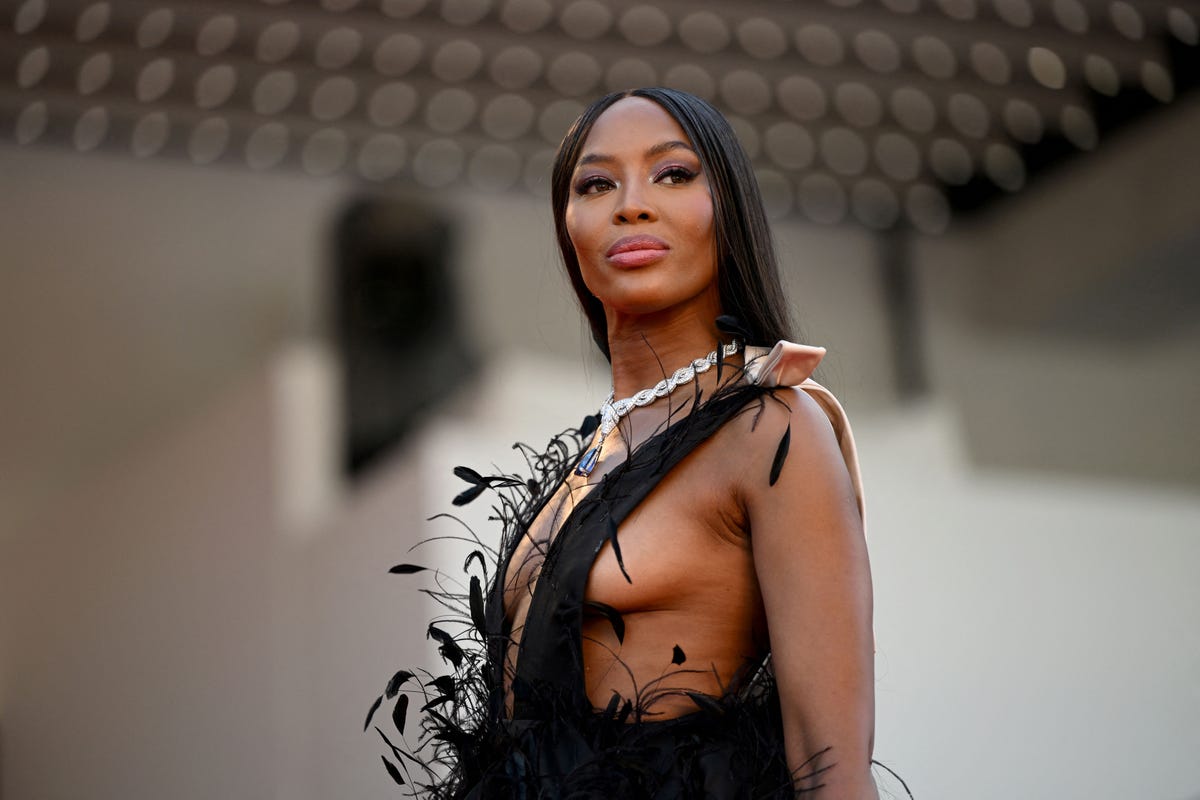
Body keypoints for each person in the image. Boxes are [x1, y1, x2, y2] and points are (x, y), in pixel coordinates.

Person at [371, 87, 904, 799]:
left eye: (674, 174)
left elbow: (832, 772)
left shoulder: (772, 430)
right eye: (596, 183)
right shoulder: (584, 463)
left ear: (730, 213)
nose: (632, 203)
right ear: (568, 228)